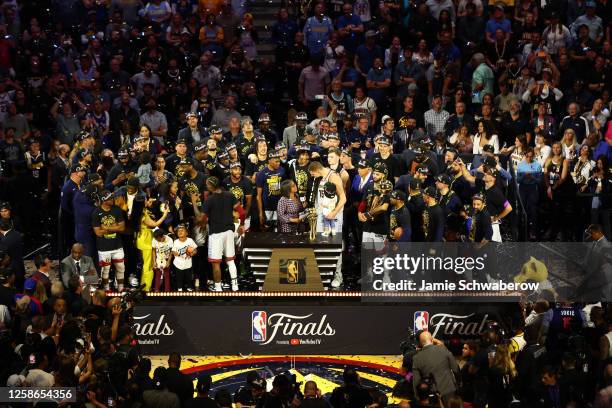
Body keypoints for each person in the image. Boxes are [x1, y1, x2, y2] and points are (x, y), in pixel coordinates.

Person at [202, 176, 240, 292]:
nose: (206, 185)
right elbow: (239, 210)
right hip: (229, 231)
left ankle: (218, 288)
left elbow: (201, 218)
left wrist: (194, 203)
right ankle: (235, 286)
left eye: (207, 184)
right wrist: (238, 221)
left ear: (211, 186)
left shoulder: (209, 199)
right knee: (230, 260)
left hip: (216, 234)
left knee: (216, 263)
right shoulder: (229, 195)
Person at [92, 190, 126, 290]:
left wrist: (106, 228)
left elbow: (122, 228)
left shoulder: (117, 210)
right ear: (104, 200)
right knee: (105, 270)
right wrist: (114, 226)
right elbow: (98, 232)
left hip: (117, 246)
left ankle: (121, 288)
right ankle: (106, 288)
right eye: (110, 198)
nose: (112, 199)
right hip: (103, 248)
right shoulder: (96, 213)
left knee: (121, 268)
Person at [136, 195, 170, 291]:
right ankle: (146, 287)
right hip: (145, 240)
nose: (148, 200)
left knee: (147, 264)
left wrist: (147, 205)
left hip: (144, 238)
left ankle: (144, 286)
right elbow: (154, 224)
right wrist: (165, 214)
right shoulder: (142, 214)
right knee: (148, 265)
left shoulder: (142, 210)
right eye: (146, 200)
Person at [171, 224, 197, 292]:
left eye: (182, 230)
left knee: (188, 277)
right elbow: (173, 251)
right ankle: (179, 288)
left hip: (188, 263)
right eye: (179, 231)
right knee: (179, 277)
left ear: (187, 233)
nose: (180, 232)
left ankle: (189, 287)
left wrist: (192, 253)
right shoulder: (176, 241)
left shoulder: (190, 240)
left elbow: (195, 250)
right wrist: (175, 253)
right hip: (178, 264)